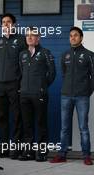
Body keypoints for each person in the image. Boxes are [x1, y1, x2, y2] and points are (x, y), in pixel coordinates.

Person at [50, 27, 94, 165]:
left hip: (82, 97)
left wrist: (87, 91)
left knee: (83, 127)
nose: (73, 38)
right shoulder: (65, 55)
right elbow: (64, 74)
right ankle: (62, 154)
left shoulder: (89, 55)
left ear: (81, 38)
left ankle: (86, 155)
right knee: (64, 128)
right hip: (66, 96)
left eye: (75, 35)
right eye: (71, 36)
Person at [18, 27, 56, 162]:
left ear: (38, 38)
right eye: (27, 35)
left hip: (39, 94)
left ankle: (42, 153)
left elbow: (52, 73)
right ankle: (28, 152)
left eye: (33, 35)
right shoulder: (22, 54)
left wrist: (42, 87)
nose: (29, 37)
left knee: (41, 124)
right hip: (24, 94)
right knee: (27, 124)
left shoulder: (45, 52)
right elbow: (22, 73)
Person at [0, 13, 27, 158]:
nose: (6, 24)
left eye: (8, 22)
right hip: (0, 84)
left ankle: (16, 148)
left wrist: (21, 82)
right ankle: (4, 148)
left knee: (16, 117)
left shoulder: (21, 40)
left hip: (15, 83)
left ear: (14, 24)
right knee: (2, 117)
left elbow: (25, 63)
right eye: (3, 22)